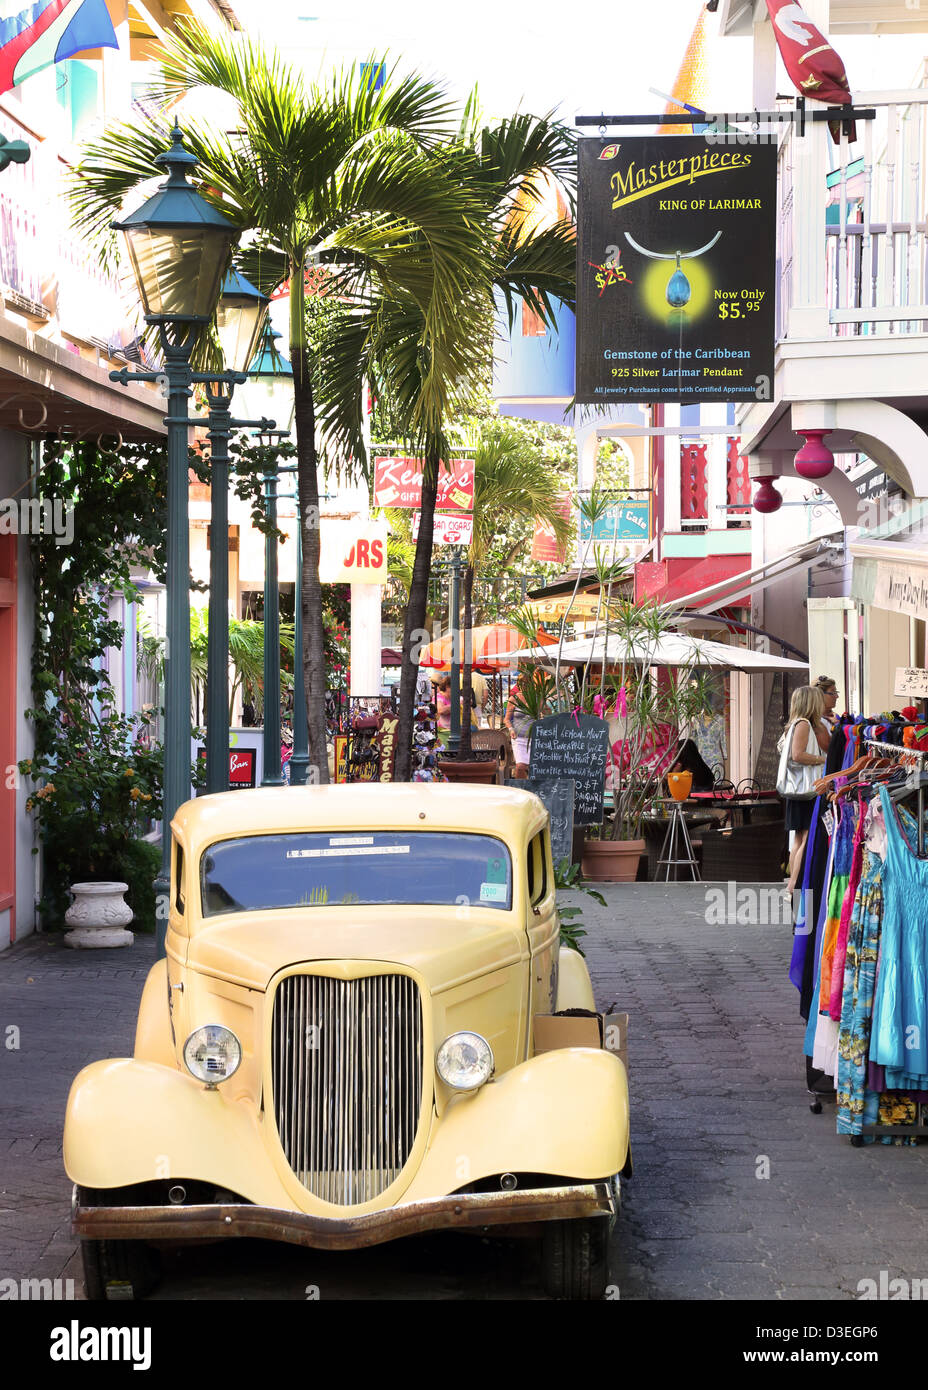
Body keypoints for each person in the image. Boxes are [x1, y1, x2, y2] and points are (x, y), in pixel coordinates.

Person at [781, 685, 829, 894]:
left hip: (798, 788)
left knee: (800, 836)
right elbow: (798, 755)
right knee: (806, 837)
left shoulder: (794, 724)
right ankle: (794, 884)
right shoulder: (804, 725)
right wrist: (823, 759)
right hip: (806, 789)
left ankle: (793, 882)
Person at [504, 670, 546, 776]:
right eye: (522, 683)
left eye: (527, 683)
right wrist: (511, 729)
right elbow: (507, 719)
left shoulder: (537, 698)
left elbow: (547, 711)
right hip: (519, 738)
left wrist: (542, 713)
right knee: (520, 767)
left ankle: (531, 789)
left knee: (534, 767)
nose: (524, 686)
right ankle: (521, 789)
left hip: (535, 738)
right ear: (519, 684)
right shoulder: (514, 699)